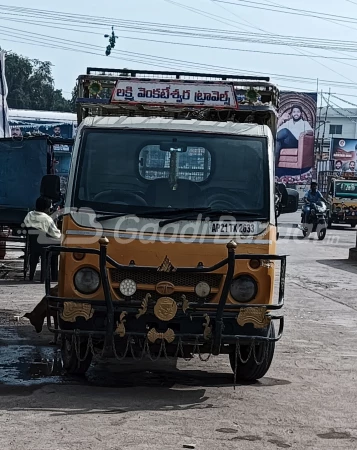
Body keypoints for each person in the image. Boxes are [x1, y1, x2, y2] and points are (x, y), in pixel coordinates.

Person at [24, 197, 61, 281]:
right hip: (45, 246)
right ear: (46, 208)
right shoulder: (47, 219)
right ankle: (54, 277)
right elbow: (56, 235)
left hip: (33, 245)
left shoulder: (29, 214)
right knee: (60, 246)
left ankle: (31, 276)